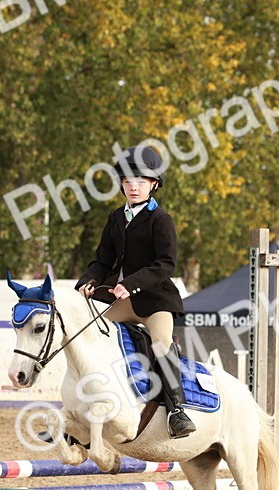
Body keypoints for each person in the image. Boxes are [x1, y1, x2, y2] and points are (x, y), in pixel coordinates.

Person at [74, 145, 196, 438]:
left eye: (140, 181)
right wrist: (87, 280)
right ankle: (87, 405)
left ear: (153, 184)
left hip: (155, 300)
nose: (133, 187)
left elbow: (165, 264)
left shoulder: (161, 219)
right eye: (128, 181)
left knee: (161, 343)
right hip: (121, 299)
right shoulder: (116, 218)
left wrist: (130, 284)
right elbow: (102, 259)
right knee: (95, 337)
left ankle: (177, 411)